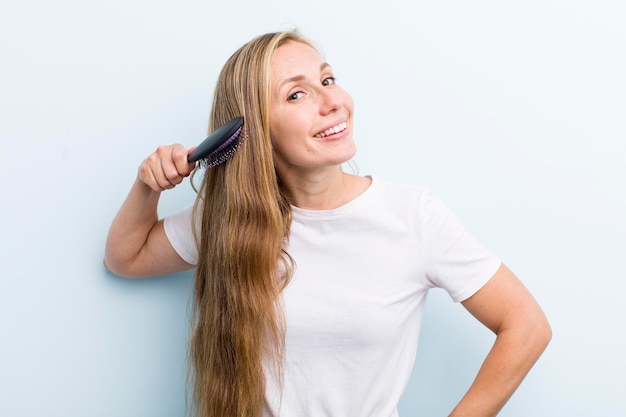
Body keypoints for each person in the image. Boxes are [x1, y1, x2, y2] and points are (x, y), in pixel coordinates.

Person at [104, 30, 551, 417]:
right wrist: (149, 186)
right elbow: (126, 257)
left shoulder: (413, 216)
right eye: (297, 94)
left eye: (328, 79)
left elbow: (527, 326)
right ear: (255, 131)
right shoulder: (227, 221)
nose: (333, 102)